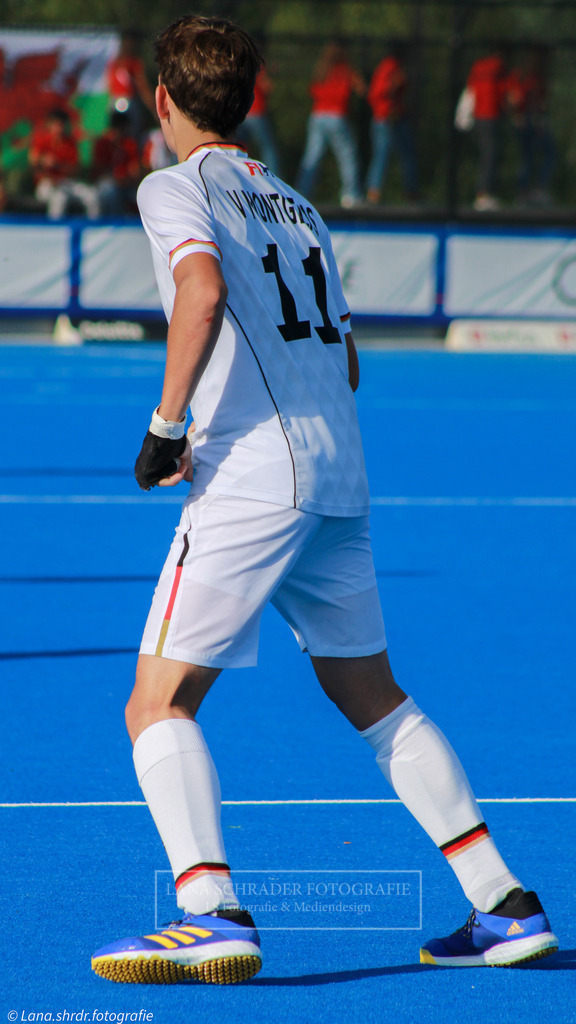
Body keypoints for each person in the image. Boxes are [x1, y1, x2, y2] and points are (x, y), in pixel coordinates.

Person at [91, 15, 558, 985]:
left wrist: (170, 424)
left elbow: (202, 292)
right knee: (372, 694)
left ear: (162, 100)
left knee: (156, 702)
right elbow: (340, 354)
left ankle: (207, 909)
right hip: (338, 473)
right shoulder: (301, 207)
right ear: (254, 98)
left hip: (255, 479)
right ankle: (504, 902)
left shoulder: (172, 186)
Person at [295, 41, 364, 207]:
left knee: (312, 157)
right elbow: (361, 88)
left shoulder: (322, 69)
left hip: (318, 115)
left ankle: (301, 195)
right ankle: (350, 195)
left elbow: (312, 90)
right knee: (347, 156)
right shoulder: (346, 69)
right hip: (336, 116)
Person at [365, 43, 418, 204]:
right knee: (382, 154)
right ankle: (374, 193)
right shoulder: (389, 67)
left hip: (395, 117)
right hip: (385, 118)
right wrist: (394, 84)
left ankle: (410, 191)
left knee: (405, 154)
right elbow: (376, 93)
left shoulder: (392, 67)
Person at [506, 46, 556, 207]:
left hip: (529, 119)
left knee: (531, 156)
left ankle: (529, 191)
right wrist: (520, 116)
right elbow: (515, 98)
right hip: (530, 120)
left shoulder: (531, 76)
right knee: (536, 154)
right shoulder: (528, 77)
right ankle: (531, 191)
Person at [29, 108, 99, 220]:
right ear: (49, 125)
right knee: (60, 198)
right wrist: (43, 160)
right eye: (55, 124)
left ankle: (94, 231)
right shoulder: (41, 139)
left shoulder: (69, 142)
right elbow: (33, 163)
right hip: (46, 184)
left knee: (92, 195)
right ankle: (54, 233)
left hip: (65, 182)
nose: (58, 128)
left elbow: (76, 169)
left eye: (61, 124)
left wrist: (58, 165)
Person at [467, 49, 508, 211]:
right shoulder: (498, 67)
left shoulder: (478, 67)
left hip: (479, 115)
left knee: (486, 153)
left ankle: (483, 193)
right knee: (490, 154)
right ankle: (483, 194)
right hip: (490, 114)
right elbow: (504, 91)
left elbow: (471, 88)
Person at [92, 111, 142, 216]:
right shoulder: (103, 143)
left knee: (141, 196)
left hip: (127, 184)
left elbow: (134, 171)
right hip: (107, 183)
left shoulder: (130, 144)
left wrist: (125, 180)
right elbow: (98, 170)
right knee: (110, 191)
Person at [236, 65, 280, 175]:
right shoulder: (257, 66)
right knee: (268, 149)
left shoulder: (238, 65)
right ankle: (272, 177)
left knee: (240, 148)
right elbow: (267, 86)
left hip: (241, 113)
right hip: (257, 112)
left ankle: (240, 173)